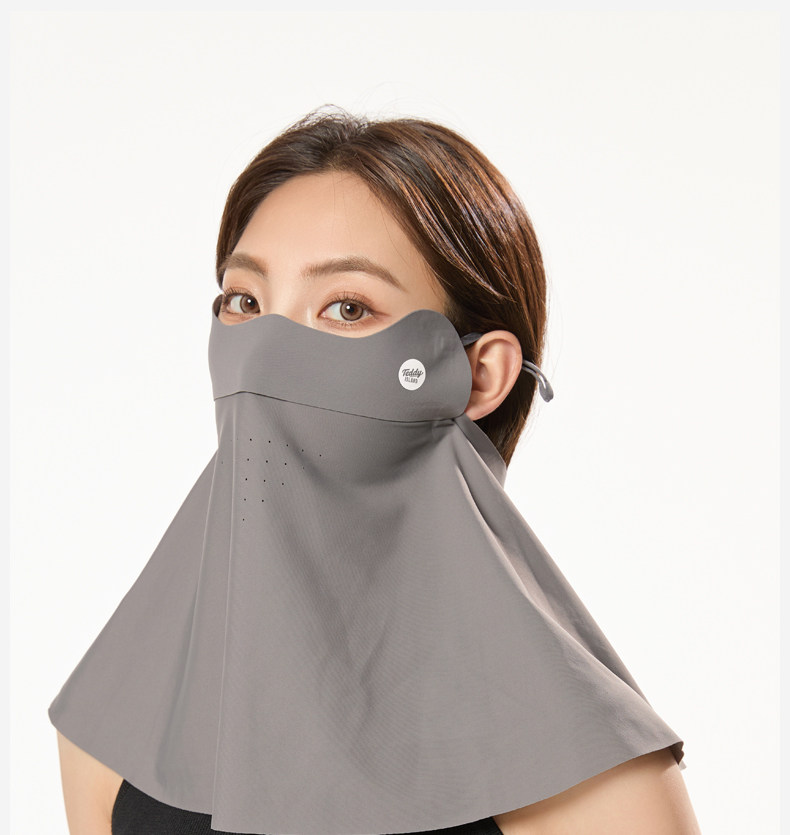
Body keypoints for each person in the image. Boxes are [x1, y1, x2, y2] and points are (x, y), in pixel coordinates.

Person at [52, 105, 701, 835]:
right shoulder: (109, 734)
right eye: (245, 301)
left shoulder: (597, 789)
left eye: (347, 308)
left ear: (481, 373)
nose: (263, 354)